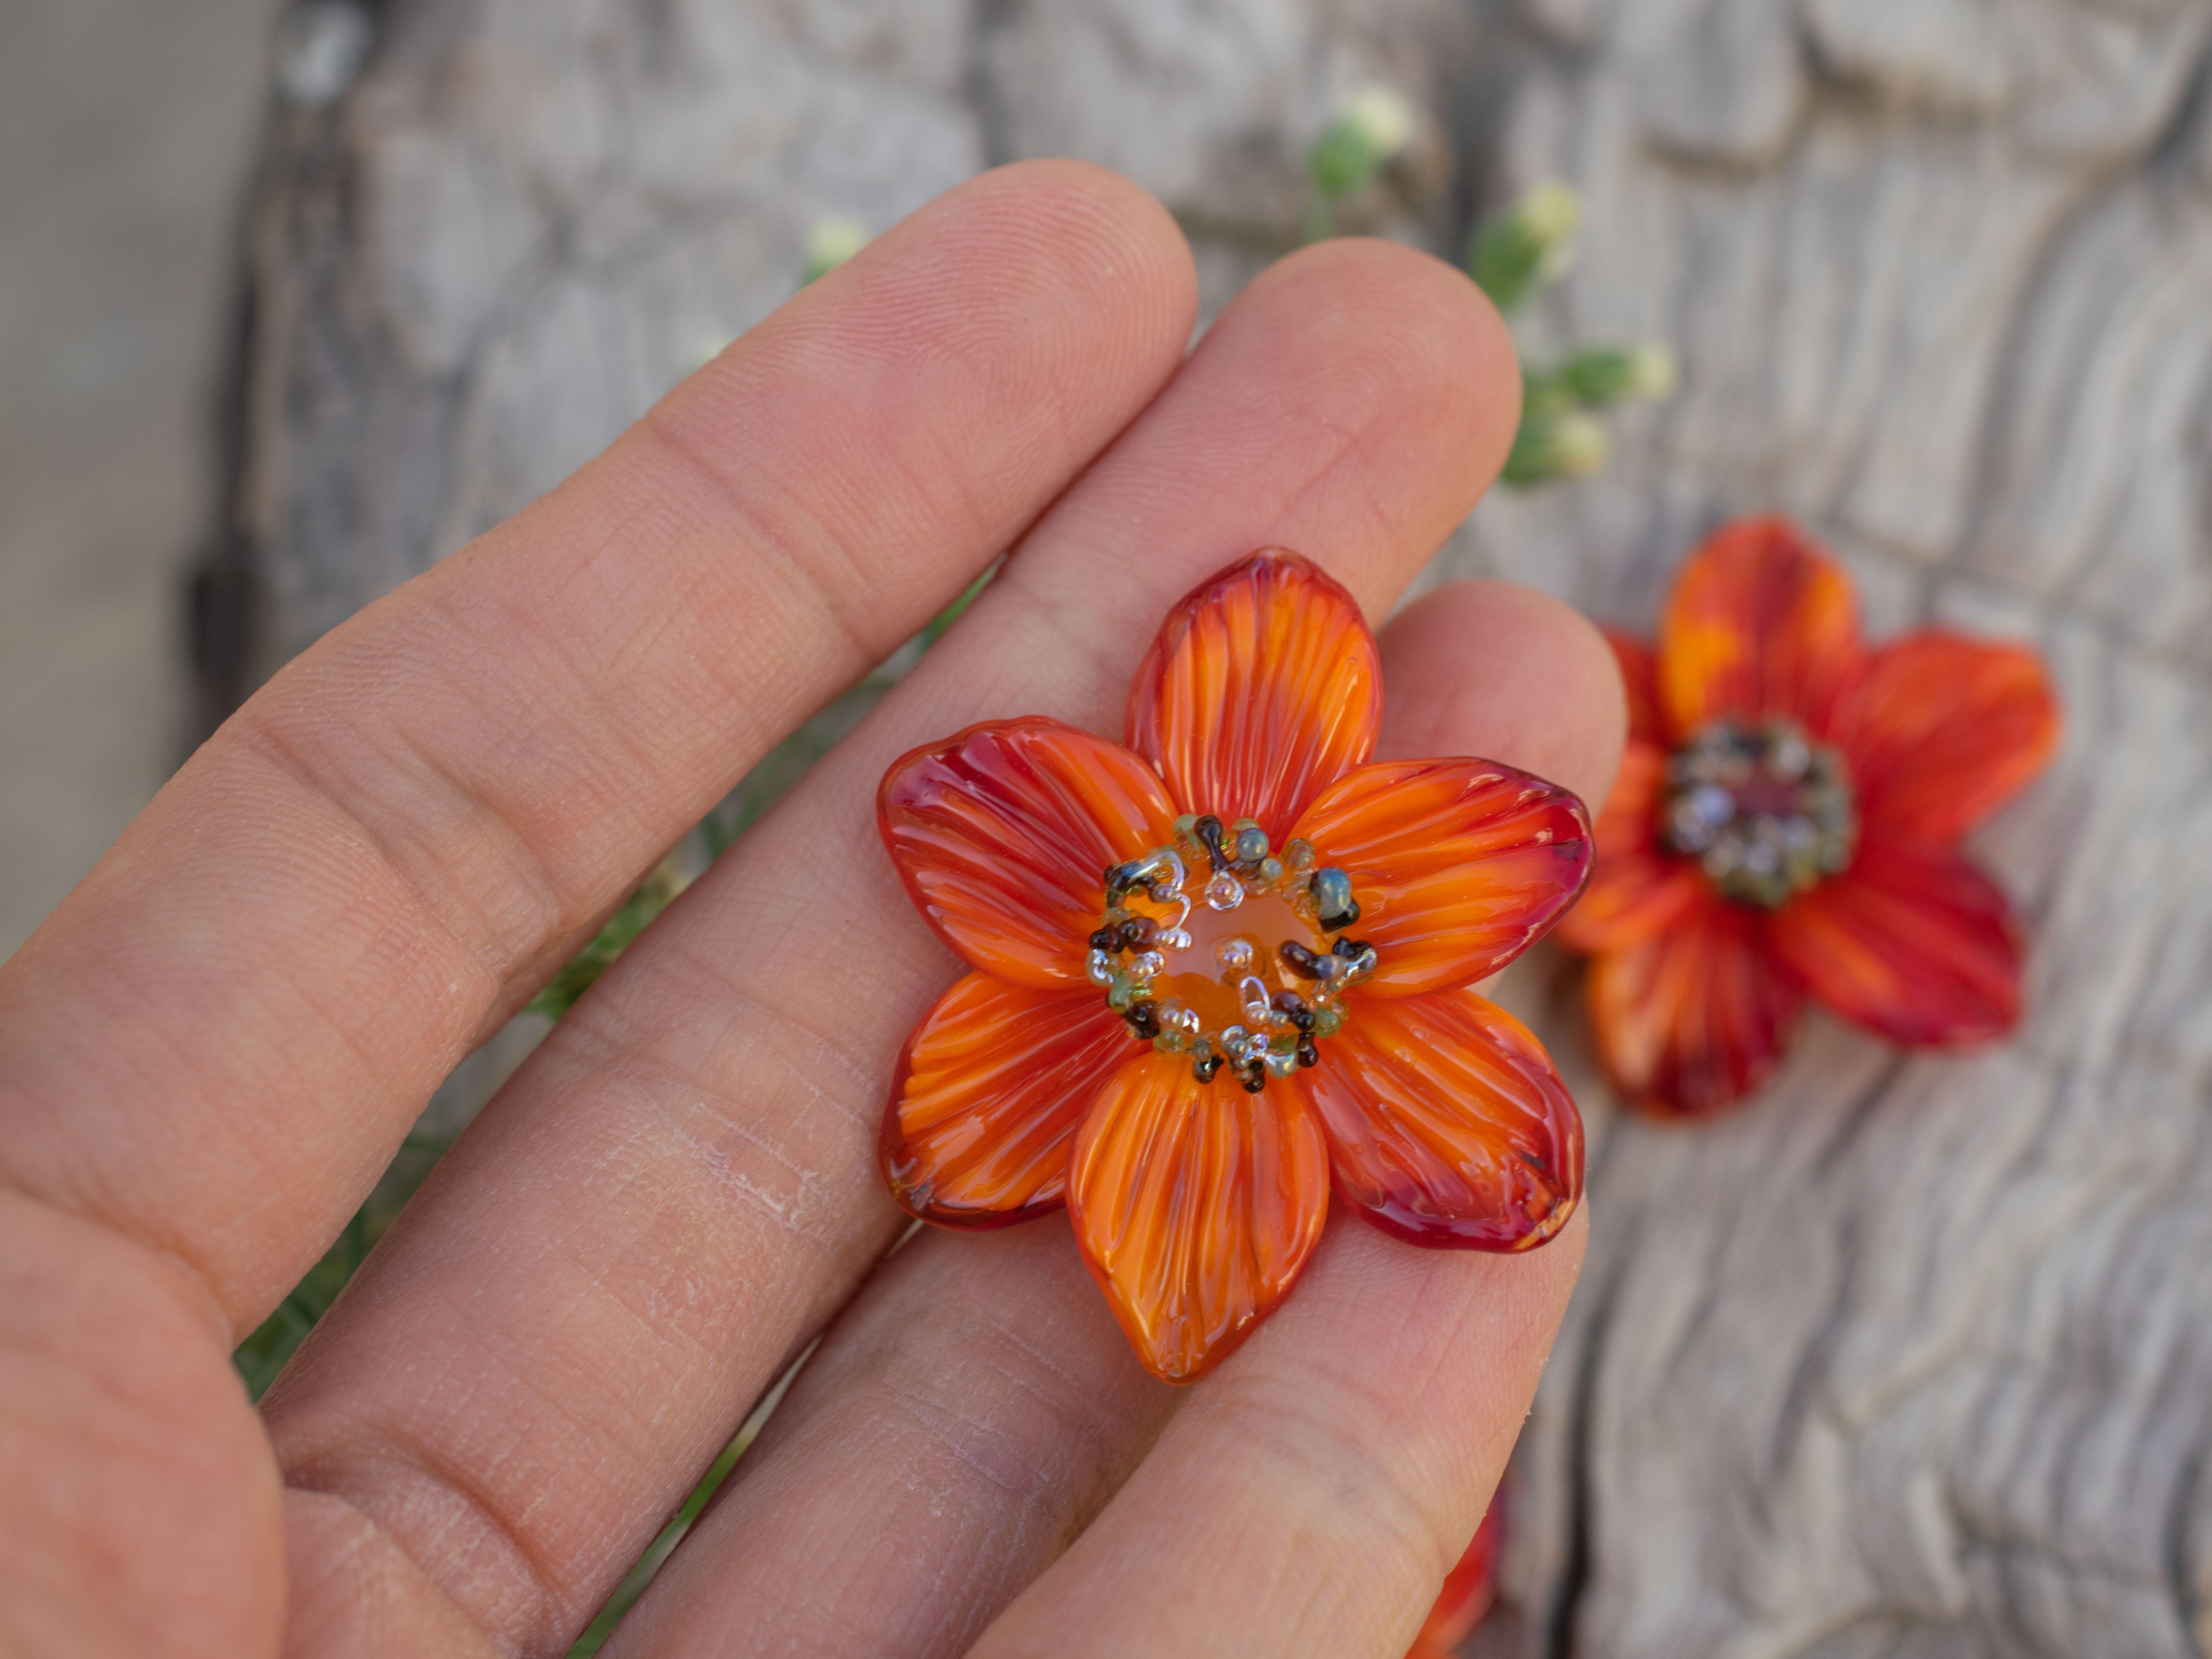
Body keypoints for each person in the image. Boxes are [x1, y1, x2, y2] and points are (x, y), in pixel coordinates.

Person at [0, 161, 1622, 1658]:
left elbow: (1061, 1124)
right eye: (1205, 929)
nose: (1218, 950)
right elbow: (970, 867)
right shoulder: (1033, 952)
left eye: (1244, 950)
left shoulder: (1403, 1087)